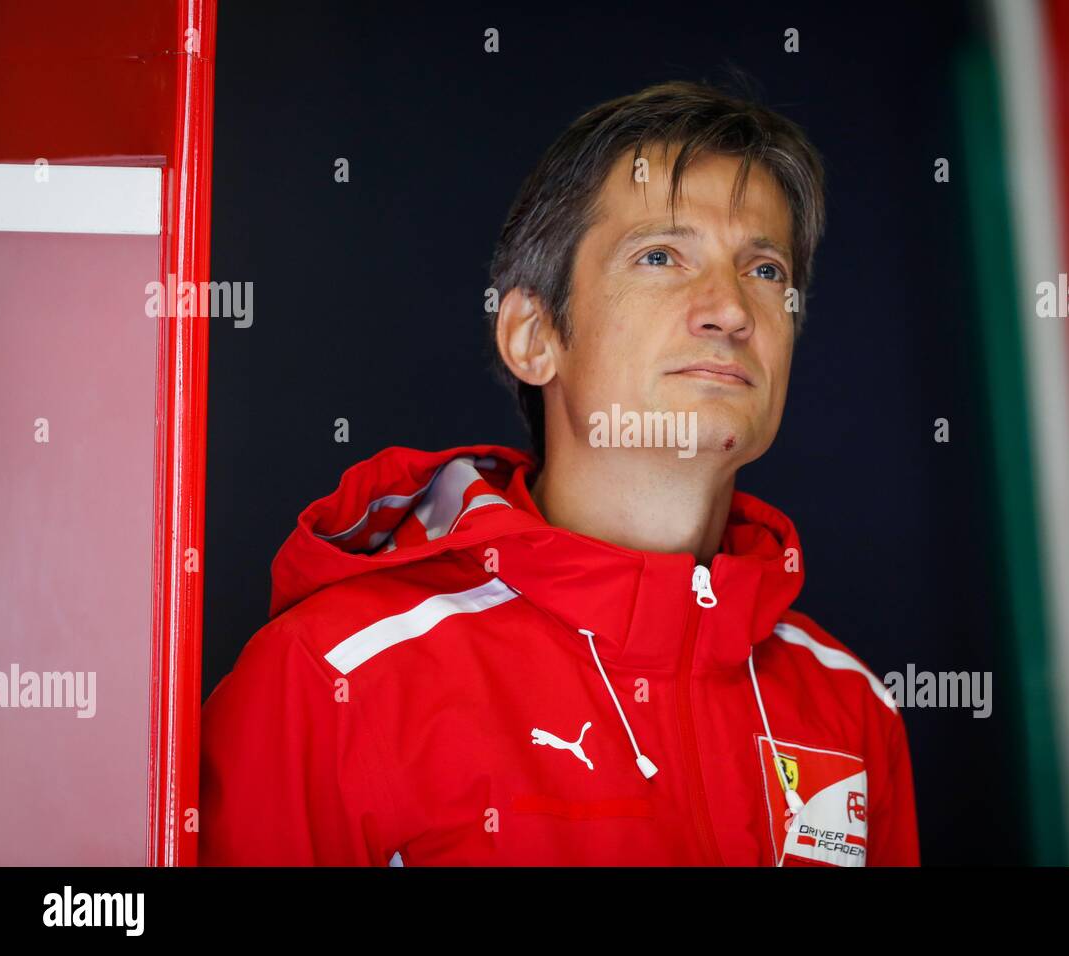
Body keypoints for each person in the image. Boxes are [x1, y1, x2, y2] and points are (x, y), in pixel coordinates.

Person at [199, 79, 919, 866]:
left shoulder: (851, 705)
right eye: (660, 256)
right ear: (533, 337)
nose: (731, 309)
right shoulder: (333, 679)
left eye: (767, 270)